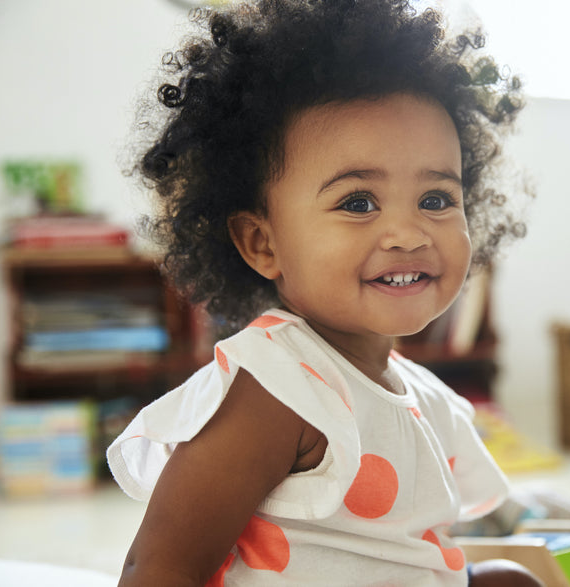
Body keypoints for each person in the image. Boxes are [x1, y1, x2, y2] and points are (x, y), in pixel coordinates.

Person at [107, 1, 538, 585]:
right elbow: (159, 567)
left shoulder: (422, 395)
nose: (409, 234)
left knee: (511, 578)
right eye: (358, 203)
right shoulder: (276, 388)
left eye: (436, 199)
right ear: (262, 242)